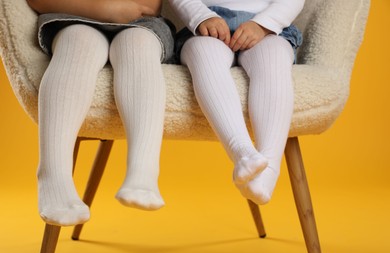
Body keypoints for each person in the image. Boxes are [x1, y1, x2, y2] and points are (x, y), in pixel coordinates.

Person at [26, 0, 175, 226]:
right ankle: (53, 175)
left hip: (140, 23)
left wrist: (121, 10)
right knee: (78, 44)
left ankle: (144, 169)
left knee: (138, 45)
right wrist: (105, 9)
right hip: (74, 14)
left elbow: (149, 6)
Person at [169, 0, 304, 205]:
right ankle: (242, 153)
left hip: (266, 27)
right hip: (207, 23)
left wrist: (264, 24)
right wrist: (201, 16)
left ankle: (269, 168)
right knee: (204, 55)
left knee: (273, 60)